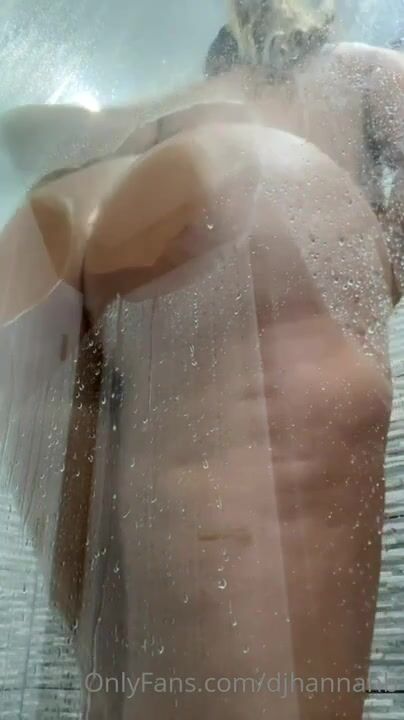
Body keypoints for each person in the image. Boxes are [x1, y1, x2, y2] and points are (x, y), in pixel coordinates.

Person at [1, 2, 404, 718]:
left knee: (114, 675)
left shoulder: (182, 102)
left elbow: (26, 133)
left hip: (56, 216)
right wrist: (371, 266)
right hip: (250, 201)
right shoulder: (358, 69)